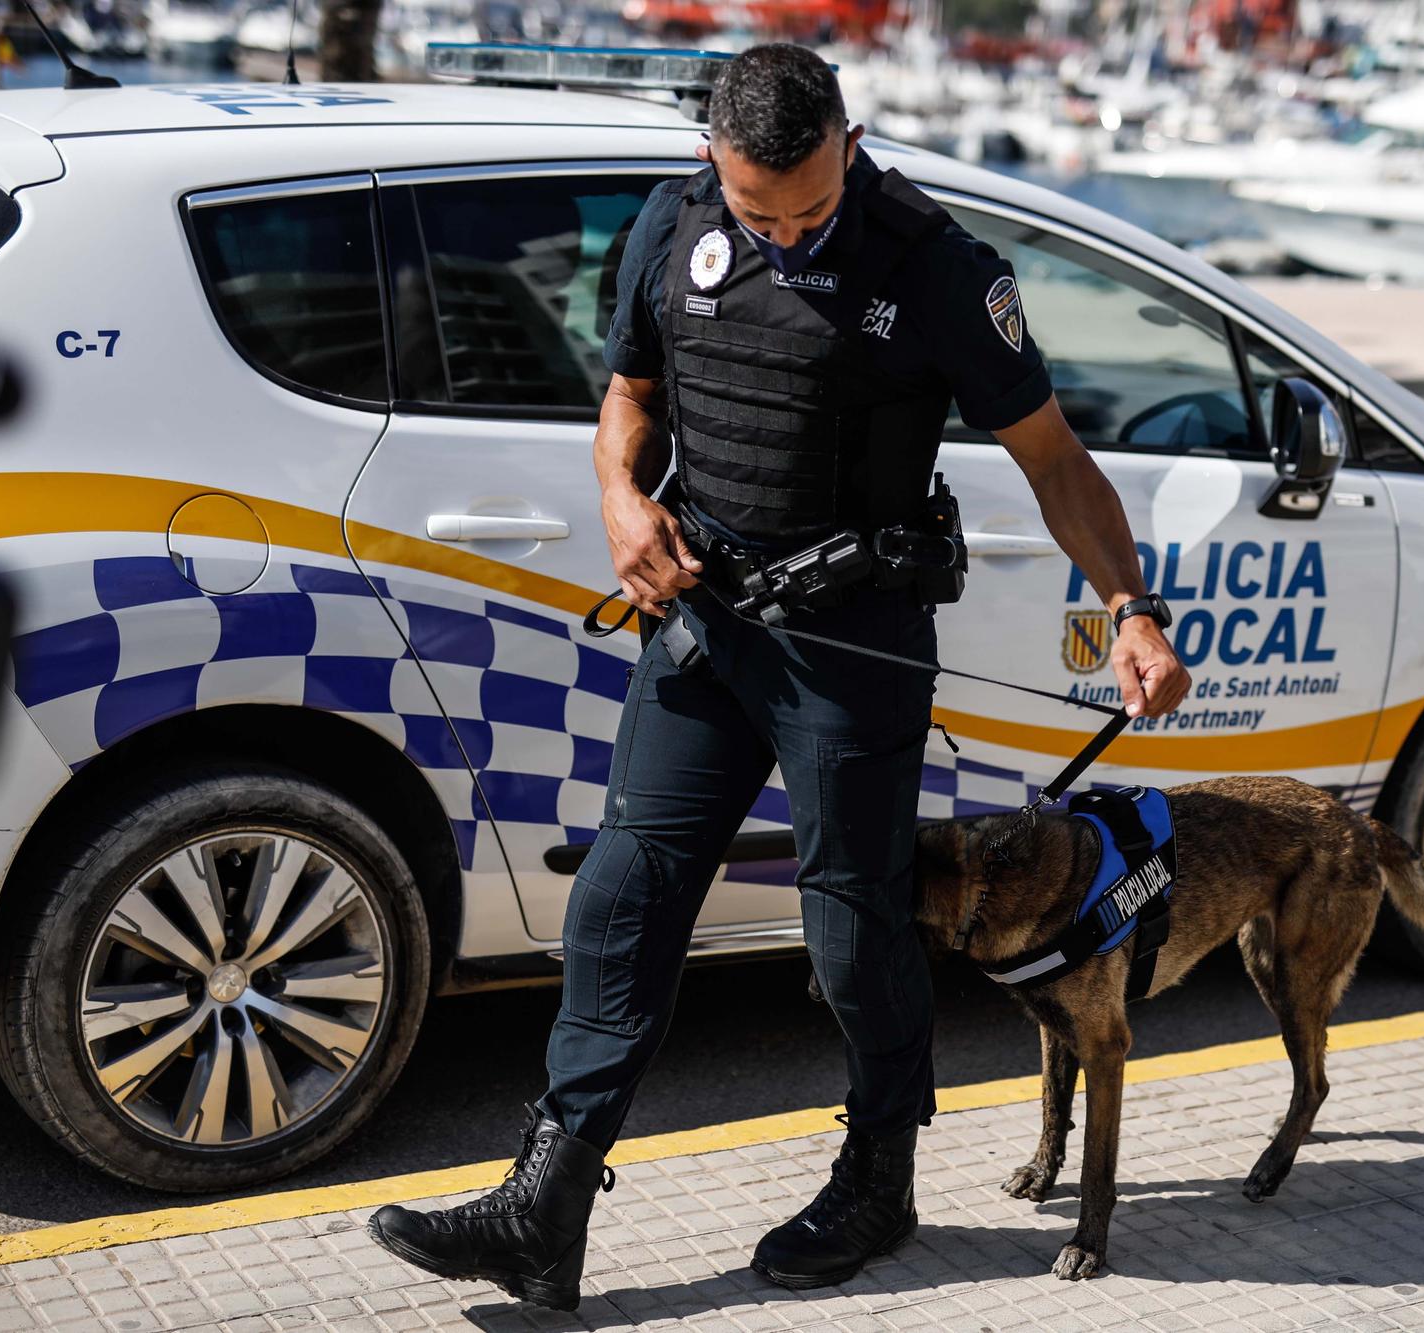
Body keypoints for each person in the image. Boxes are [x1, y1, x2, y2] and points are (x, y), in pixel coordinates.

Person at [367, 42, 1189, 1310]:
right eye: (763, 216)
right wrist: (619, 500)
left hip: (853, 643)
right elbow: (629, 398)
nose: (790, 238)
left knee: (853, 926)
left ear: (849, 148)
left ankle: (879, 1172)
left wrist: (1129, 608)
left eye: (812, 211)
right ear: (713, 161)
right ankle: (545, 1204)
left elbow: (1053, 459)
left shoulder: (937, 268)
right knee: (621, 898)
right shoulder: (672, 225)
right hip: (706, 624)